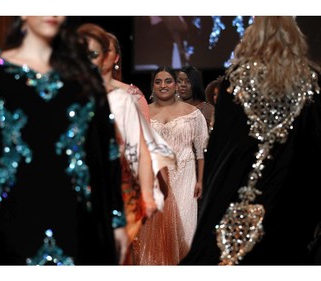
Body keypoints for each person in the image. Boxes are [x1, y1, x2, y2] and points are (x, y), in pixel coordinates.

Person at [0, 16, 128, 265]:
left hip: (75, 222)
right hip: (7, 221)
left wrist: (116, 221)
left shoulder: (85, 81)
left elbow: (106, 155)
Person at [180, 16, 321, 265]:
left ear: (253, 35)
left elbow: (222, 142)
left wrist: (213, 190)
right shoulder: (309, 80)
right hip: (290, 182)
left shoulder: (236, 79)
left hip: (239, 177)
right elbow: (313, 144)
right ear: (294, 37)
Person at [77, 23, 176, 264]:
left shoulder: (126, 98)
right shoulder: (72, 95)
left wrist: (149, 190)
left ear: (112, 57)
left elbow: (143, 144)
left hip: (119, 182)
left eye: (99, 51)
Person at [133, 66, 209, 265]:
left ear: (176, 85)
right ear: (152, 86)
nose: (163, 85)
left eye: (168, 81)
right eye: (158, 82)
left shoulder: (193, 113)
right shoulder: (143, 112)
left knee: (185, 227)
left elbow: (201, 150)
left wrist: (200, 180)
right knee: (154, 235)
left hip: (185, 178)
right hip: (155, 180)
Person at [105, 32, 150, 122]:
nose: (103, 55)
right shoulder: (82, 91)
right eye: (97, 51)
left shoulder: (133, 94)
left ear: (116, 58)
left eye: (107, 50)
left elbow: (144, 133)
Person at [176, 65, 214, 130]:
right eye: (179, 81)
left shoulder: (208, 110)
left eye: (188, 81)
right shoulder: (170, 108)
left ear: (196, 83)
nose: (183, 85)